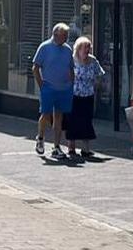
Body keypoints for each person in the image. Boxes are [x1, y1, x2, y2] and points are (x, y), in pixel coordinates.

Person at [31, 24, 75, 160]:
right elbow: (35, 67)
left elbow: (71, 68)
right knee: (45, 114)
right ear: (56, 35)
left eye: (67, 36)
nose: (66, 38)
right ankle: (40, 137)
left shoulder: (67, 49)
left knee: (59, 117)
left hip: (64, 88)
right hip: (48, 87)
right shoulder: (44, 47)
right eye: (64, 36)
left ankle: (56, 146)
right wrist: (41, 84)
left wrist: (71, 83)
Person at [64, 36, 106, 162]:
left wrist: (97, 84)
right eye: (85, 48)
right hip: (74, 95)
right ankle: (71, 146)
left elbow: (100, 74)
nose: (87, 50)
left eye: (89, 48)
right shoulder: (71, 60)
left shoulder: (92, 61)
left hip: (88, 95)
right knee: (72, 120)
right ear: (78, 48)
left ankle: (86, 148)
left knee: (86, 120)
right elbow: (65, 75)